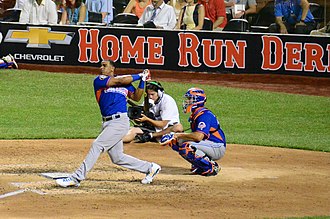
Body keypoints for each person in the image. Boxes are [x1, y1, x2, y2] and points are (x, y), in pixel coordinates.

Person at [56, 61, 161, 187]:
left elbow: (136, 97)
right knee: (117, 157)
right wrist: (140, 75)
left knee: (97, 145)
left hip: (120, 122)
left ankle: (76, 178)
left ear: (112, 68)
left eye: (104, 65)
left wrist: (142, 80)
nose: (101, 67)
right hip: (107, 122)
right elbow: (118, 81)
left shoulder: (126, 84)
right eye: (101, 65)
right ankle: (150, 168)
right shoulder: (100, 80)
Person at [160, 87, 226, 176]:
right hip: (208, 144)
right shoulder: (196, 114)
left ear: (198, 101)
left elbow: (198, 137)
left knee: (186, 147)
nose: (187, 101)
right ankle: (199, 165)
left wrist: (177, 135)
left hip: (216, 147)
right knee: (175, 142)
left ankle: (210, 166)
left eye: (190, 99)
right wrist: (175, 137)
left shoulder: (204, 115)